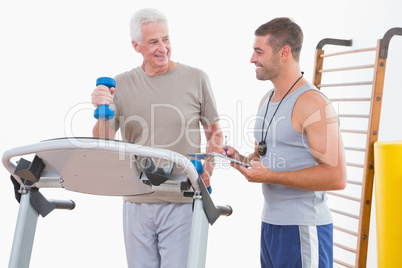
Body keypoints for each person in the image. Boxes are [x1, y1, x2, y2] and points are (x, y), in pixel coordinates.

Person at [91, 8, 222, 268]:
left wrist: (208, 169)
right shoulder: (121, 84)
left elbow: (215, 134)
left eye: (166, 39)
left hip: (182, 199)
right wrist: (102, 110)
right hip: (137, 199)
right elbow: (103, 142)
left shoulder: (196, 78)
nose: (163, 48)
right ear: (136, 46)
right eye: (153, 42)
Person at [223, 18, 347, 267]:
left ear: (284, 53)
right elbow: (264, 157)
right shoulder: (266, 100)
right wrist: (240, 159)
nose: (252, 59)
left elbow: (336, 176)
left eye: (259, 51)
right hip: (271, 225)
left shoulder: (313, 103)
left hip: (303, 227)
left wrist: (270, 176)